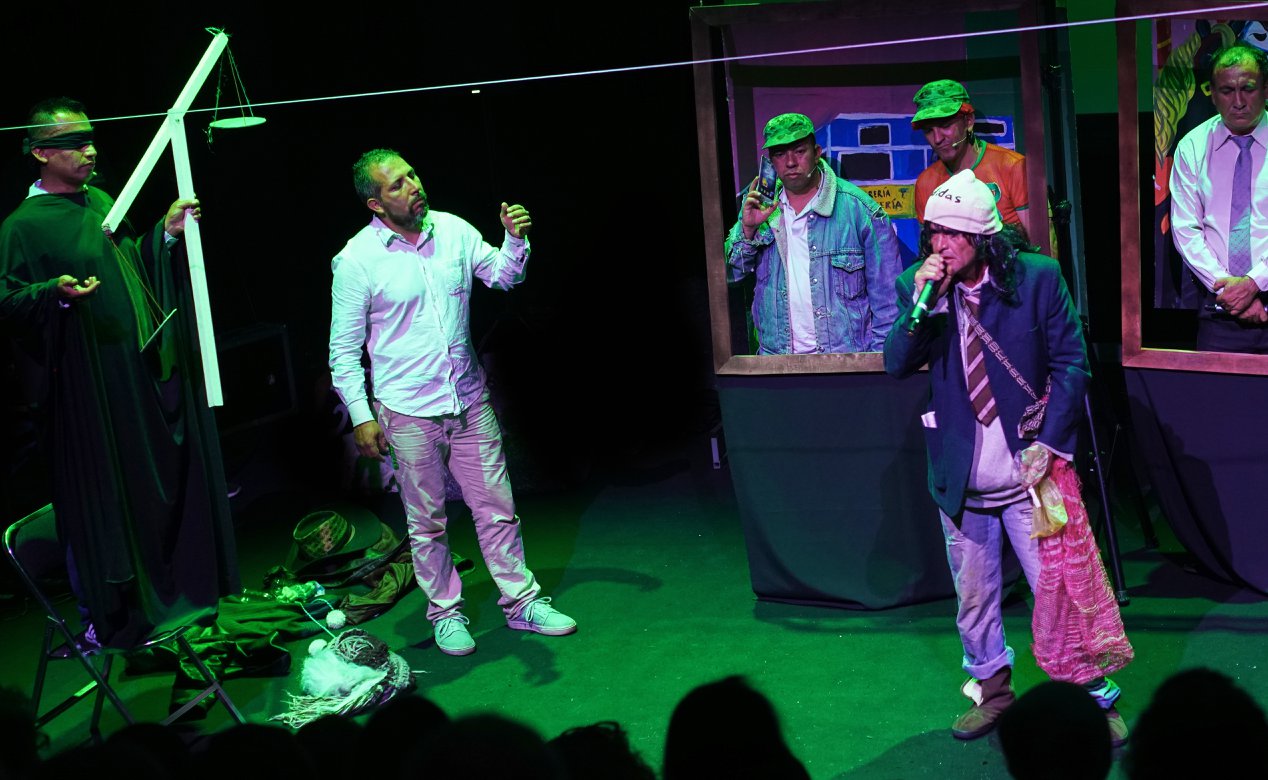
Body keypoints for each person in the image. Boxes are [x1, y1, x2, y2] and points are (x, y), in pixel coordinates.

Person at [883, 169, 1133, 745]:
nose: (941, 245)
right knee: (973, 599)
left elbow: (1071, 364)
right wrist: (921, 306)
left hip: (1029, 472)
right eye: (933, 232)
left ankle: (1091, 699)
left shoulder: (1037, 279)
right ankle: (993, 693)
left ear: (983, 238)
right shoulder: (919, 288)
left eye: (953, 234)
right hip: (961, 477)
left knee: (1058, 592)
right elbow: (896, 363)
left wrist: (1049, 443)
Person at [0, 97, 238, 649]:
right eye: (74, 143)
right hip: (84, 395)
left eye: (91, 139)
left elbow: (129, 265)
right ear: (40, 152)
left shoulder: (101, 201)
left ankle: (166, 598)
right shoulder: (21, 228)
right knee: (101, 503)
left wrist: (166, 234)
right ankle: (108, 616)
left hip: (130, 378)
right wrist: (53, 294)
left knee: (143, 490)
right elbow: (8, 302)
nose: (90, 151)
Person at [328, 148, 575, 657]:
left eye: (412, 174)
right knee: (427, 522)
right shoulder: (356, 261)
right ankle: (445, 613)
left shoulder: (453, 230)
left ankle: (522, 602)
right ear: (375, 204)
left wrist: (514, 238)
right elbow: (343, 351)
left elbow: (504, 276)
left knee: (497, 509)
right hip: (407, 410)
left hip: (467, 399)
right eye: (397, 184)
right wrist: (361, 416)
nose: (413, 186)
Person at [725, 112, 902, 354]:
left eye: (799, 151)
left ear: (817, 152)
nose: (790, 162)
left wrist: (877, 362)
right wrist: (748, 230)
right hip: (777, 362)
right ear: (770, 161)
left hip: (843, 361)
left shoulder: (860, 211)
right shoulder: (760, 208)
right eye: (780, 154)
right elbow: (731, 275)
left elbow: (888, 302)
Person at [1170, 43, 1268, 353]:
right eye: (1227, 90)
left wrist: (1254, 283)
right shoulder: (1192, 147)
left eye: (1248, 88)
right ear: (1212, 93)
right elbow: (1185, 230)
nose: (1238, 101)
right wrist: (1231, 291)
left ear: (1266, 89)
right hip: (1219, 308)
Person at [911, 80, 1033, 238]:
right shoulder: (926, 183)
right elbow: (930, 245)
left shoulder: (1013, 167)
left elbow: (1043, 245)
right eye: (928, 130)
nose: (937, 139)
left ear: (968, 121)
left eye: (945, 126)